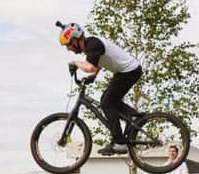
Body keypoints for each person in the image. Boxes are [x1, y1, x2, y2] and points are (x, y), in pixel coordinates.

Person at [57, 21, 142, 156]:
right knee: (108, 100)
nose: (68, 49)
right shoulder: (91, 47)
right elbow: (97, 64)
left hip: (129, 71)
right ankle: (134, 116)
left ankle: (119, 143)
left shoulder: (93, 45)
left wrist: (75, 63)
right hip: (125, 71)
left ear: (75, 39)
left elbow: (90, 66)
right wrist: (93, 77)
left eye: (68, 45)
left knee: (106, 103)